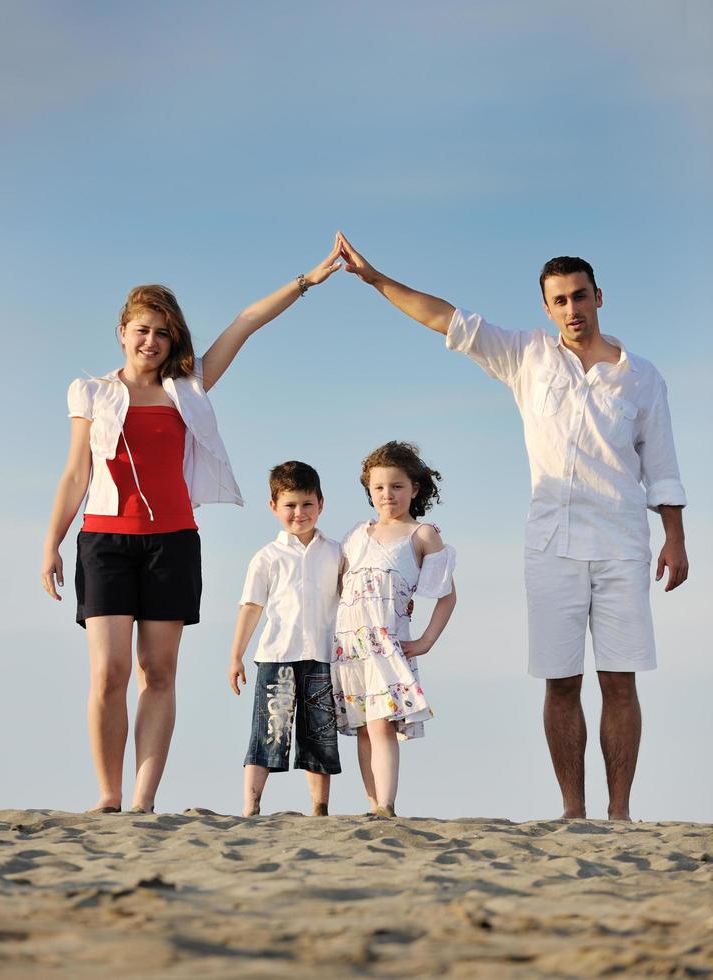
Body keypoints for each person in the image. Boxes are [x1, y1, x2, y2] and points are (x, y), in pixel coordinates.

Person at [337, 233, 688, 821]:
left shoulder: (642, 378)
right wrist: (376, 280)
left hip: (624, 544)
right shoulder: (527, 356)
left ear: (599, 297)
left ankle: (620, 814)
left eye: (580, 297)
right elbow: (446, 319)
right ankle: (573, 813)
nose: (572, 310)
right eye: (559, 301)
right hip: (550, 546)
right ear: (547, 309)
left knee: (620, 682)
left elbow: (663, 466)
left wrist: (675, 536)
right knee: (560, 681)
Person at [40, 241, 342, 814]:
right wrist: (50, 544)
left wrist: (305, 280)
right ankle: (107, 796)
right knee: (109, 672)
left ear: (172, 339)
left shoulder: (189, 388)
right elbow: (76, 472)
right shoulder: (92, 392)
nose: (151, 341)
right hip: (104, 541)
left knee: (158, 672)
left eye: (162, 333)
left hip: (173, 543)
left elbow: (245, 323)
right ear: (123, 331)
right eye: (142, 330)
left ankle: (142, 799)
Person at [331, 441, 456, 818]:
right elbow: (339, 587)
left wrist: (425, 641)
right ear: (369, 490)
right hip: (349, 646)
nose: (388, 495)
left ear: (414, 489)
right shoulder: (356, 533)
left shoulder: (422, 535)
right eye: (379, 487)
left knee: (381, 724)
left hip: (386, 644)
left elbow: (447, 596)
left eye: (397, 486)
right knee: (364, 727)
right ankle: (372, 804)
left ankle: (386, 805)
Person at [228, 461, 342, 817]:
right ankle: (251, 806)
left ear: (321, 504)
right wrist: (236, 656)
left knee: (320, 735)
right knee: (268, 732)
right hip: (277, 657)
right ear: (274, 507)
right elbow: (250, 608)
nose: (299, 513)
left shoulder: (336, 552)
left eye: (307, 504)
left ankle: (319, 809)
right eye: (290, 505)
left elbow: (356, 596)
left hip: (323, 656)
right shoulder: (267, 557)